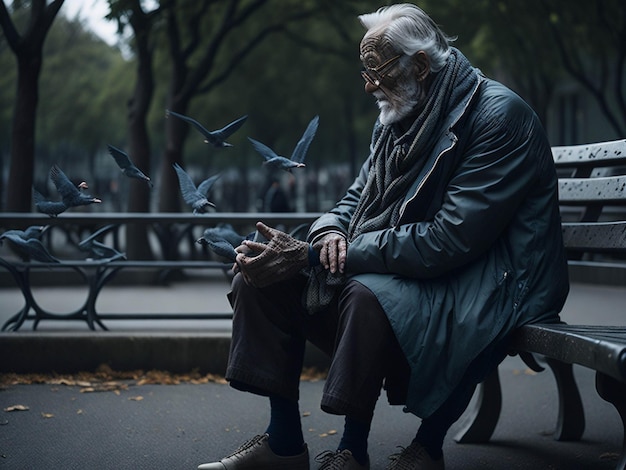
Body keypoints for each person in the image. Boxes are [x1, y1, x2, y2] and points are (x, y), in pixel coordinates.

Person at [197, 3, 569, 470]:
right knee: (259, 277)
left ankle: (360, 451)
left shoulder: (499, 116)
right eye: (365, 69)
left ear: (420, 65)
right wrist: (329, 230)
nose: (369, 84)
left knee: (364, 291)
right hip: (422, 264)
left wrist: (317, 257)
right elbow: (354, 198)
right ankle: (284, 444)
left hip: (496, 278)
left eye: (379, 69)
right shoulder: (402, 108)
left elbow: (448, 240)